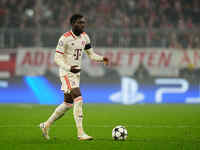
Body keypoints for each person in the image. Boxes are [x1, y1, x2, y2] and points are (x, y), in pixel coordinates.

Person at [39, 14, 109, 141]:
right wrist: (68, 68)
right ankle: (81, 133)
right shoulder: (64, 38)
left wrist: (101, 58)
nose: (82, 25)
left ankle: (46, 125)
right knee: (79, 98)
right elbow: (57, 58)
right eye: (79, 22)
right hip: (66, 73)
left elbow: (91, 54)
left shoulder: (85, 37)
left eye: (83, 22)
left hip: (76, 74)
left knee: (68, 104)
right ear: (72, 24)